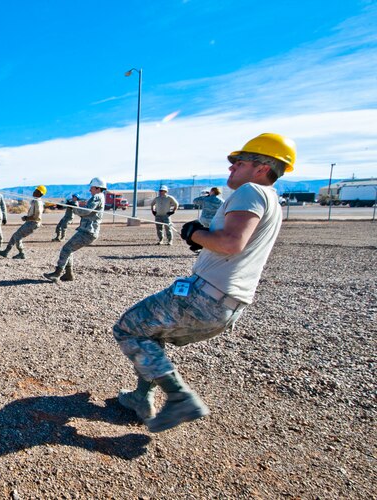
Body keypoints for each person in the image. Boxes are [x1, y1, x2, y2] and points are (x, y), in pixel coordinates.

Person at [112, 133, 296, 433]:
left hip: (205, 296)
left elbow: (231, 243)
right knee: (150, 331)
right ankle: (141, 397)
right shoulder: (271, 200)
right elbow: (232, 244)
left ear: (262, 168)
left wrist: (193, 233)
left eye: (239, 162)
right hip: (228, 304)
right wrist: (203, 237)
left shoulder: (251, 191)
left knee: (127, 327)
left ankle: (179, 397)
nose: (231, 167)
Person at [43, 179, 106, 282]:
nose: (90, 190)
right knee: (69, 250)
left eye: (92, 188)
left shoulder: (97, 197)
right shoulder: (100, 197)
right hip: (88, 230)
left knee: (66, 249)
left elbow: (85, 212)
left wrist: (75, 206)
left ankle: (57, 273)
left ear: (98, 188)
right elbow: (87, 212)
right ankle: (68, 274)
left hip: (88, 232)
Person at [0, 185, 46, 260]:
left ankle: (22, 253)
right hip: (30, 222)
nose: (34, 192)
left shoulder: (37, 202)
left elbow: (37, 217)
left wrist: (26, 218)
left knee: (17, 236)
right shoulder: (36, 201)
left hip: (33, 223)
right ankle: (6, 251)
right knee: (15, 235)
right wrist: (27, 218)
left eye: (36, 191)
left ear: (40, 193)